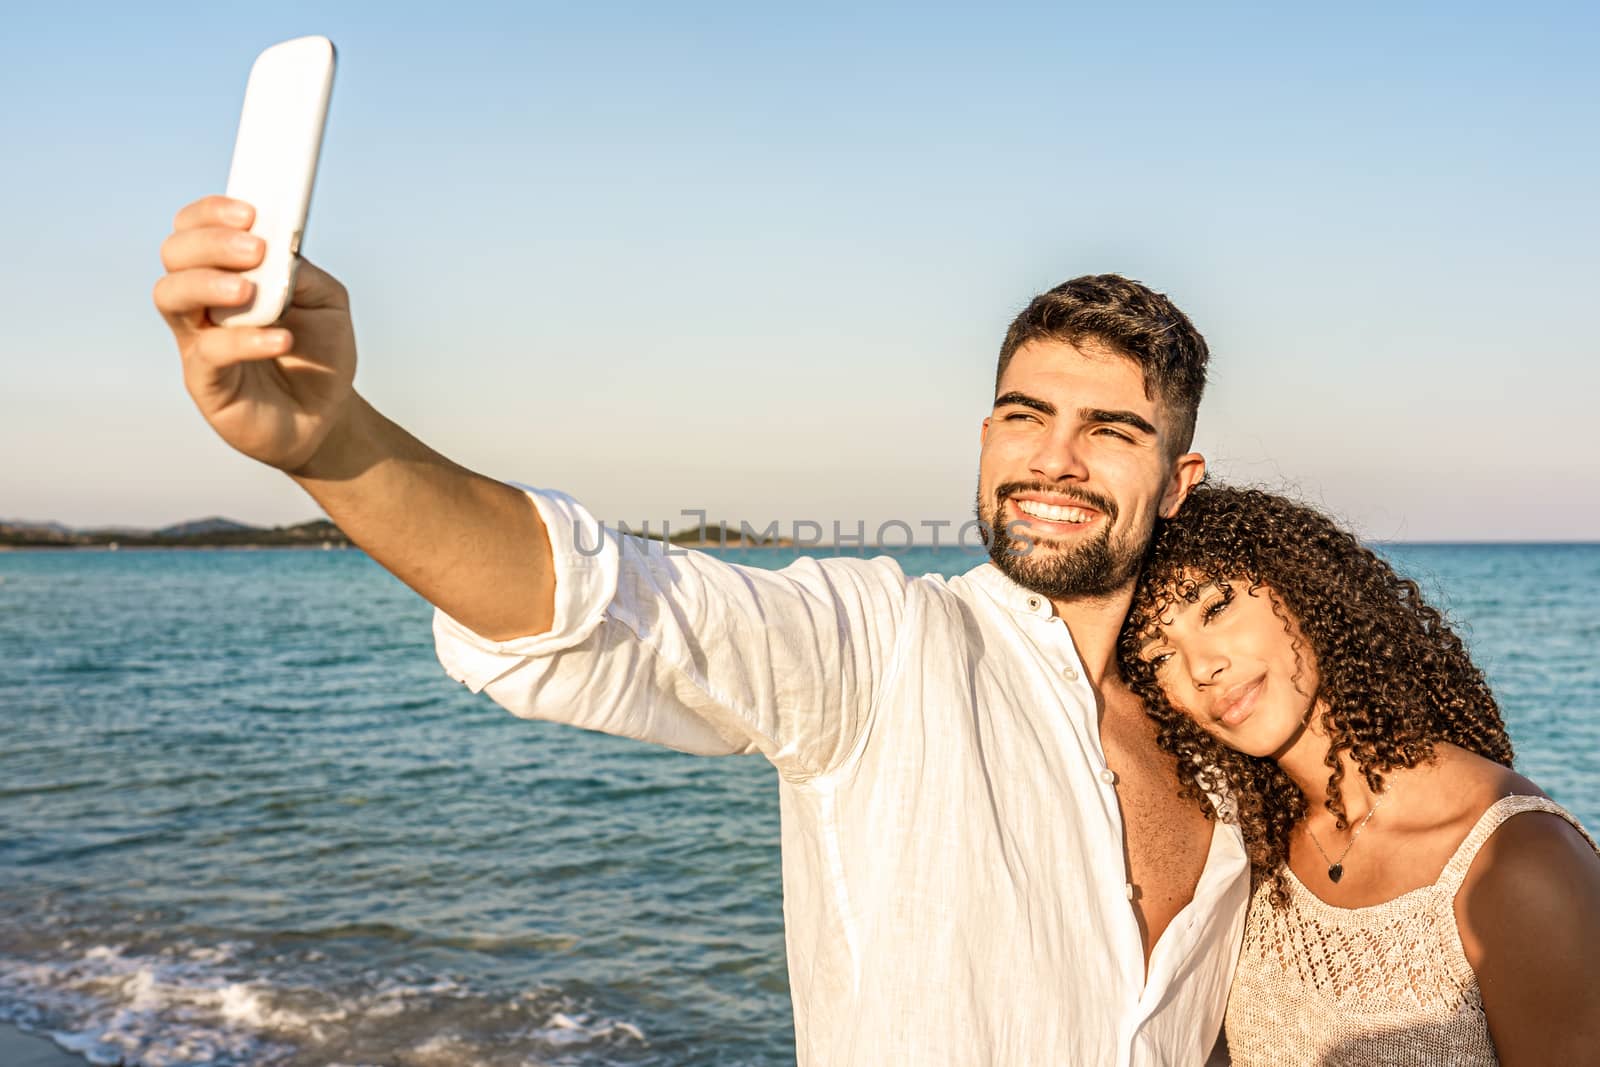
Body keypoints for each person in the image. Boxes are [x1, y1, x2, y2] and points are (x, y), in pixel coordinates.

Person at [153, 194, 1249, 1065]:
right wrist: (329, 439)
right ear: (986, 433)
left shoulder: (1232, 741)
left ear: (1175, 481)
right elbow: (604, 599)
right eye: (1025, 415)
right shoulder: (884, 646)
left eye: (1109, 430)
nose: (1053, 459)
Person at [1119, 485, 1600, 1065]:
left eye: (1215, 609)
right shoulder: (1245, 857)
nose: (1202, 667)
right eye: (1159, 656)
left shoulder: (1518, 860)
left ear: (1300, 587)